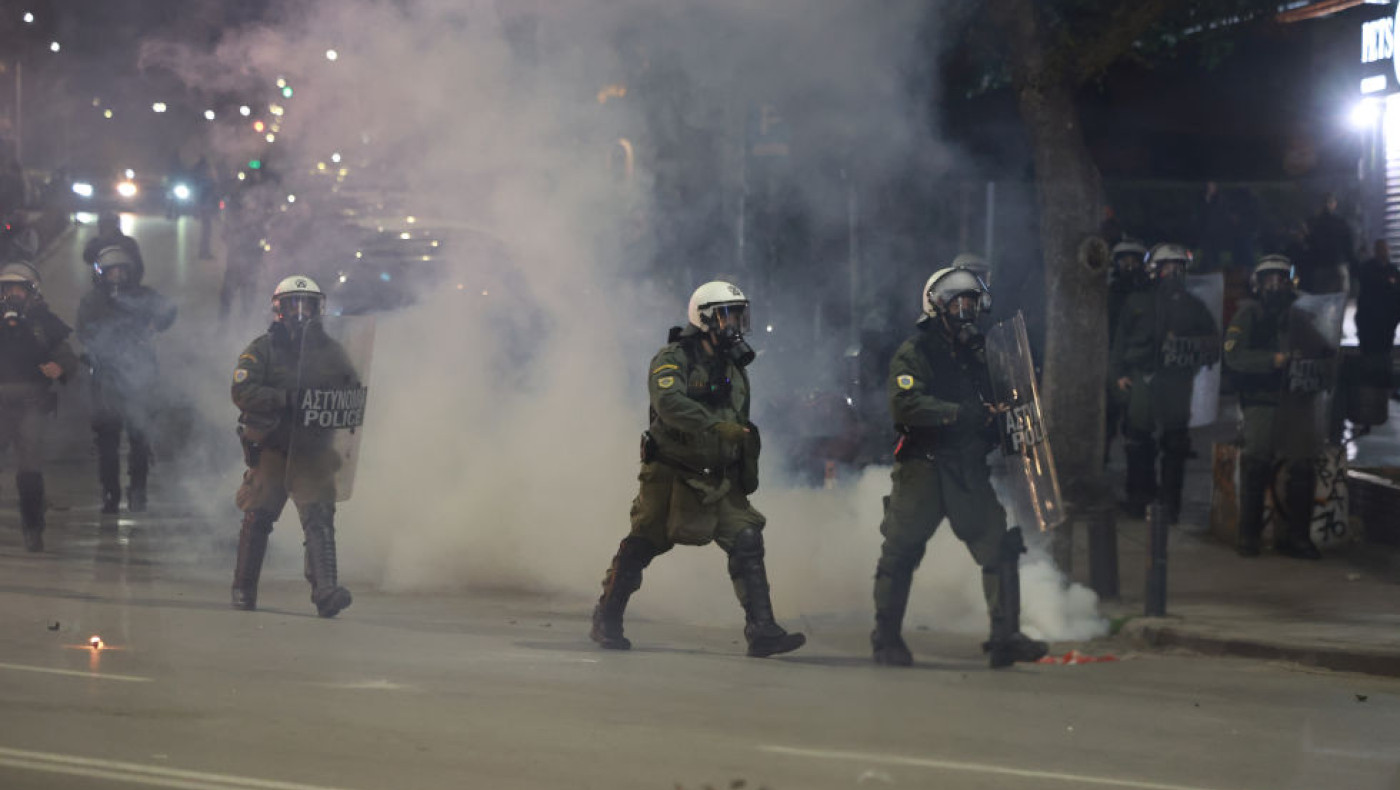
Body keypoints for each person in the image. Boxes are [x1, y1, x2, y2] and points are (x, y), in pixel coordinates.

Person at [590, 281, 806, 658]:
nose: (735, 323)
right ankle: (606, 618)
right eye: (727, 315)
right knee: (644, 541)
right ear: (704, 318)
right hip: (671, 474)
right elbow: (669, 402)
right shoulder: (673, 358)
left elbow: (737, 415)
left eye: (738, 315)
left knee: (746, 538)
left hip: (717, 476)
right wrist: (713, 426)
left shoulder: (732, 365)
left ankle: (762, 631)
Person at [869, 262, 1048, 669]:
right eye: (960, 304)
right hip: (924, 469)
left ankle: (1005, 637)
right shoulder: (915, 353)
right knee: (900, 553)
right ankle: (886, 636)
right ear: (937, 306)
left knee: (1000, 547)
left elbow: (998, 397)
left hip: (968, 469)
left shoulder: (978, 355)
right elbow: (906, 405)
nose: (968, 312)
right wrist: (960, 413)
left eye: (972, 304)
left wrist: (1005, 415)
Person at [230, 276, 357, 617]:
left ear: (318, 309)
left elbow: (351, 389)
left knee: (319, 517)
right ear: (279, 309)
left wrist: (331, 398)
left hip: (313, 448)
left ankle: (326, 591)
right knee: (258, 515)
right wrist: (284, 398)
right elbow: (242, 390)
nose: (301, 312)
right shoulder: (262, 349)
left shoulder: (331, 351)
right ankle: (243, 588)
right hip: (273, 446)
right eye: (293, 305)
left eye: (308, 305)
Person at [1224, 255, 1327, 559]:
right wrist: (1272, 360)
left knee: (1302, 467)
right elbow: (1234, 356)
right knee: (1256, 463)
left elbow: (1323, 349)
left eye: (1280, 279)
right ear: (1258, 283)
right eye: (1269, 279)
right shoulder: (1249, 314)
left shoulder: (1301, 316)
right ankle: (1249, 535)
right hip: (1262, 400)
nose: (1275, 285)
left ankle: (1297, 537)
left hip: (1296, 400)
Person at [1110, 243, 1219, 522]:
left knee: (1175, 443)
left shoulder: (1194, 306)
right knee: (1138, 440)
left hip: (1177, 380)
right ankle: (1139, 499)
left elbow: (1213, 345)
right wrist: (1119, 373)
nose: (1172, 273)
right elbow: (1120, 341)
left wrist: (1188, 347)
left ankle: (1170, 506)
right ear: (1155, 270)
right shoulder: (1137, 302)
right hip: (1143, 377)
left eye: (1178, 267)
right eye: (1167, 267)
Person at [76, 245, 177, 513]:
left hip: (139, 378)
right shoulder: (92, 301)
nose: (117, 276)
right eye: (112, 272)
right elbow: (83, 331)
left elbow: (169, 309)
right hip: (106, 379)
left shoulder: (143, 295)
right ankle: (110, 492)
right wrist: (100, 347)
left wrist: (155, 323)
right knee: (107, 442)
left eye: (122, 271)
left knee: (139, 437)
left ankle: (138, 491)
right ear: (101, 274)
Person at [0, 261, 77, 551]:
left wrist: (60, 367)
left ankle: (33, 527)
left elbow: (67, 356)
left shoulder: (44, 323)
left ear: (31, 292)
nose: (13, 294)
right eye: (8, 289)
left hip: (31, 403)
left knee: (29, 469)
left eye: (19, 289)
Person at [1106, 239, 1149, 465]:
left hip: (1138, 365)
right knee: (1107, 417)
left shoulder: (1148, 295)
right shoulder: (1109, 295)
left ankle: (1137, 473)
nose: (1130, 267)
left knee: (1137, 424)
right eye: (1125, 262)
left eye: (1135, 262)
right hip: (1112, 362)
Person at [1354, 241, 1400, 418]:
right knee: (1372, 353)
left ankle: (1380, 384)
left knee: (1382, 352)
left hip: (1384, 320)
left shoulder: (1390, 270)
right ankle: (1374, 384)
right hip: (1372, 320)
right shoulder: (1371, 270)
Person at [1303, 193, 1355, 294]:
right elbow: (1348, 245)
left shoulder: (1315, 223)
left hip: (1321, 267)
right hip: (1337, 266)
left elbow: (1311, 245)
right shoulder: (1341, 222)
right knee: (1340, 299)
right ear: (1334, 204)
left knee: (1322, 300)